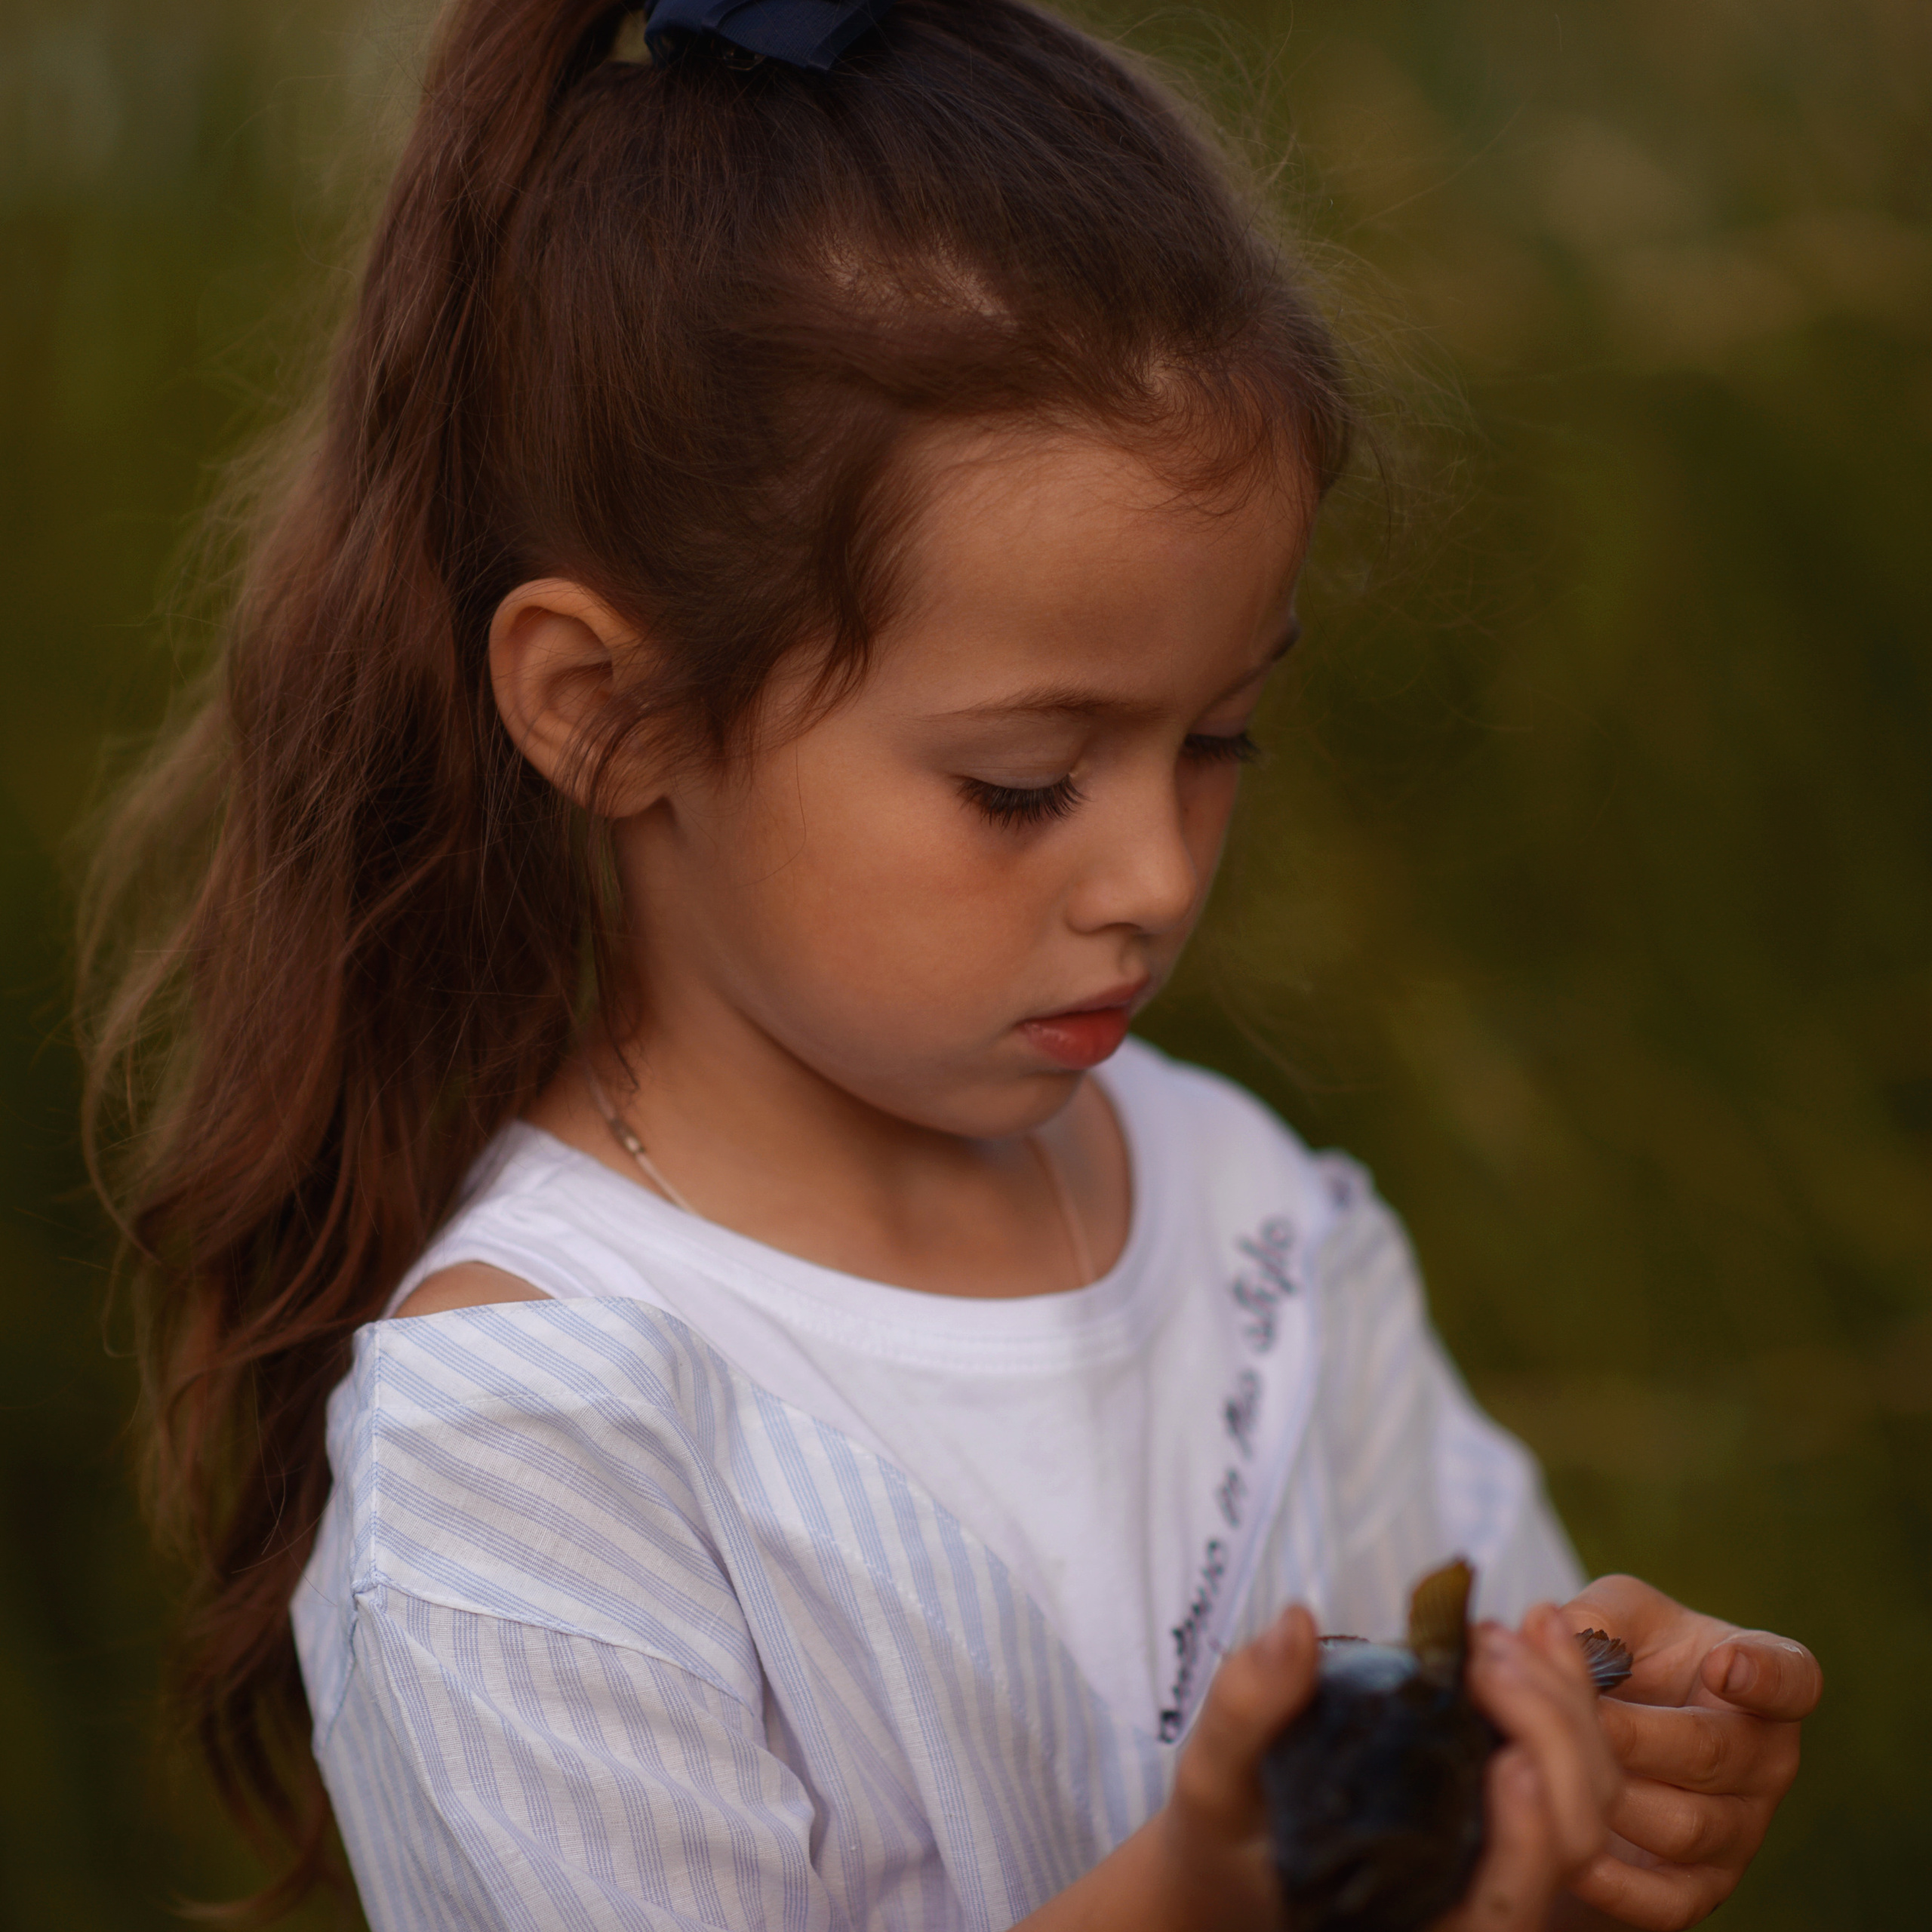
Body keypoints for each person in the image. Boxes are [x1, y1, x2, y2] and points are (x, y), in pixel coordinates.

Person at [81, 2, 1820, 1927]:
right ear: (610, 709)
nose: (1154, 873)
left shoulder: (1250, 1221)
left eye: (1215, 738)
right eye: (1019, 784)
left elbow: (1467, 1810)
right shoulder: (535, 1440)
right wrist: (1200, 1899)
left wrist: (1583, 1808)